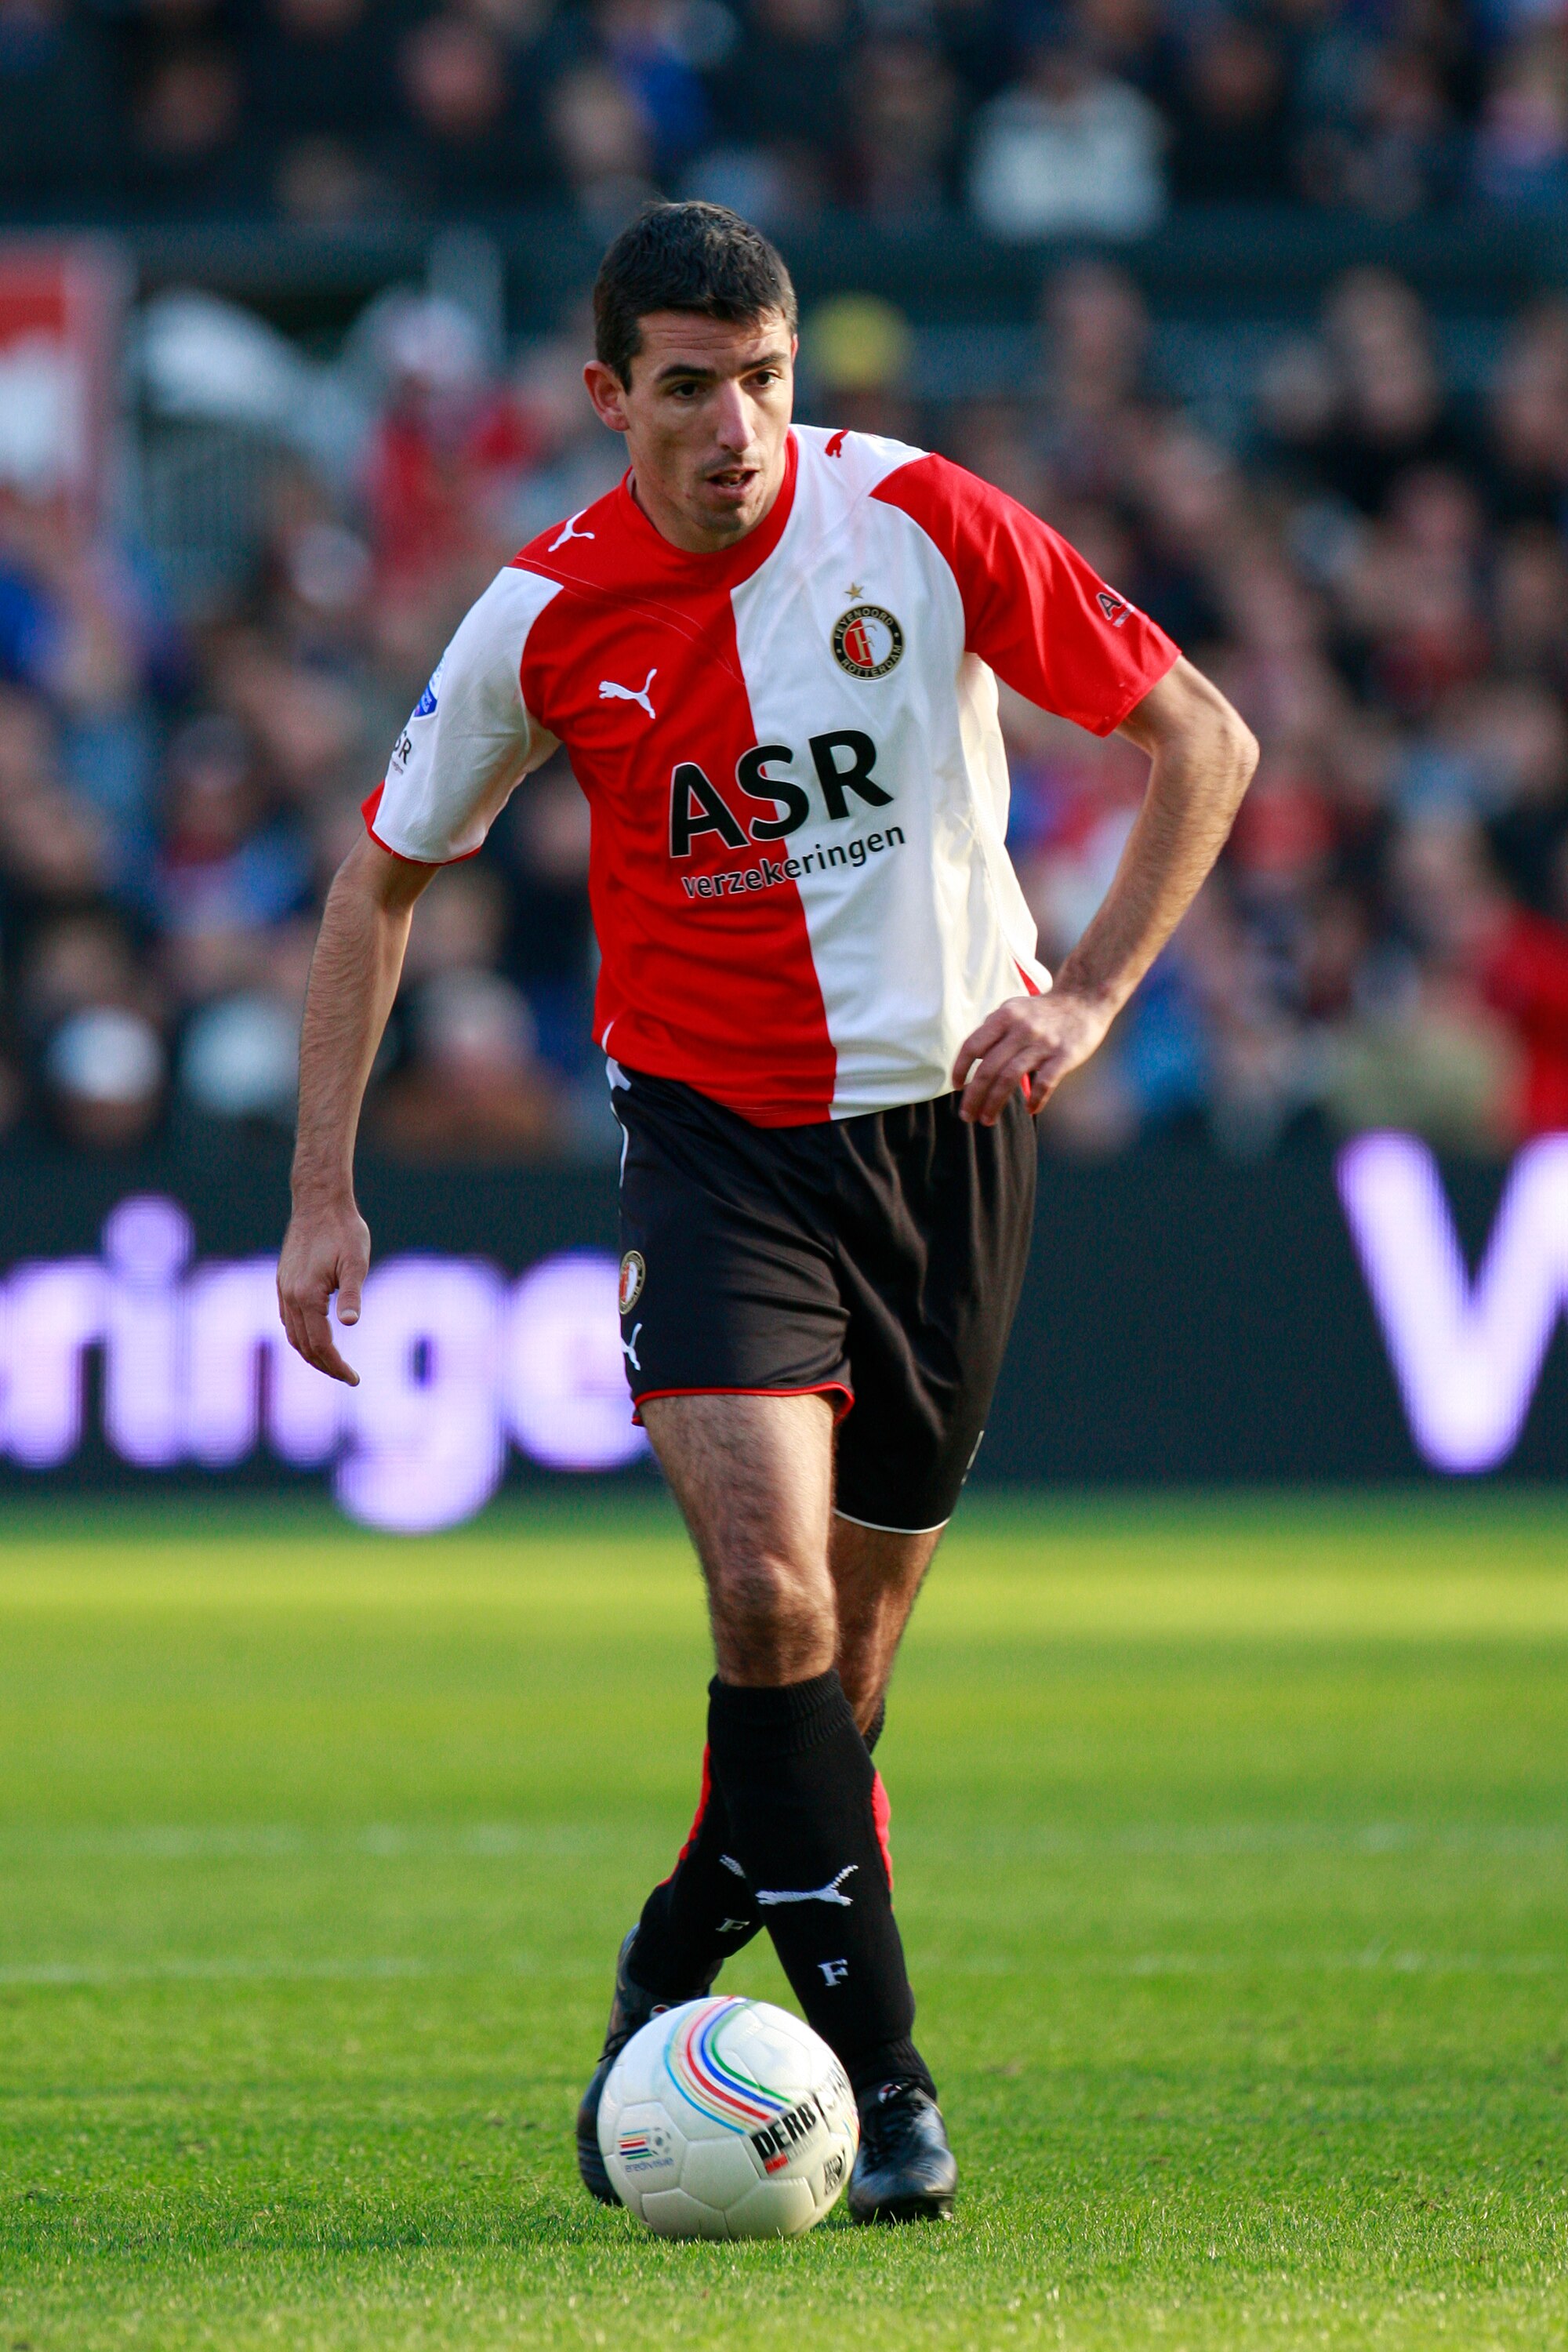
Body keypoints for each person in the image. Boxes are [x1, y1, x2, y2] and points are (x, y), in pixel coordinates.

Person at [276, 201, 1257, 2223]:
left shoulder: (917, 522)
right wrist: (320, 1194)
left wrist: (1087, 994)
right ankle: (885, 2091)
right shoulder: (541, 618)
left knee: (842, 1685)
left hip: (948, 1144)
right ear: (609, 395)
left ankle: (675, 1945)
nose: (736, 429)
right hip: (715, 1146)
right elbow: (379, 881)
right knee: (772, 1605)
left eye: (767, 383)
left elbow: (1202, 741)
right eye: (692, 389)